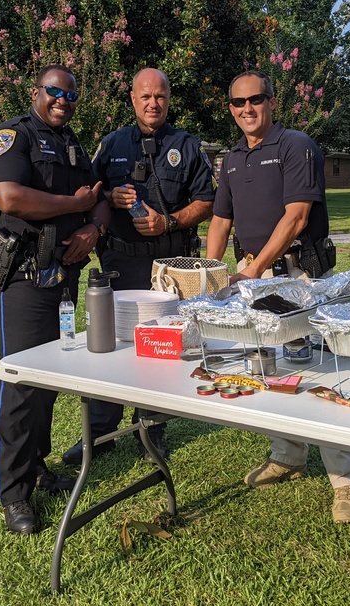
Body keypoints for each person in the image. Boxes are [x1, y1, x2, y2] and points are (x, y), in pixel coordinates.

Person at [205, 70, 350, 525]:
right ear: (230, 107)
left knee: (323, 375)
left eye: (256, 99)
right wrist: (208, 275)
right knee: (268, 369)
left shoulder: (297, 146)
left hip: (301, 278)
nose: (247, 109)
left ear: (272, 102)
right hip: (254, 281)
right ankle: (288, 456)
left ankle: (346, 481)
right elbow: (220, 221)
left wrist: (250, 271)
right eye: (238, 103)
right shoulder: (232, 158)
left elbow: (296, 218)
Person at [61, 68, 215, 466]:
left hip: (166, 268)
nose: (153, 103)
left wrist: (171, 221)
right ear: (132, 99)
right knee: (108, 345)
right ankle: (100, 432)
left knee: (160, 348)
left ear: (168, 99)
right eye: (145, 96)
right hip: (118, 262)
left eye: (160, 96)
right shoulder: (111, 143)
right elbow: (90, 194)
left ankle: (152, 430)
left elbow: (207, 201)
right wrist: (109, 197)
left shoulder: (187, 144)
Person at [0, 64, 110, 536]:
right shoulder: (11, 138)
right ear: (36, 92)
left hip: (63, 277)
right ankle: (14, 492)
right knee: (19, 381)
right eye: (54, 92)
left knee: (51, 376)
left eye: (71, 95)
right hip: (21, 279)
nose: (63, 100)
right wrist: (74, 206)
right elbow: (11, 197)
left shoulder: (75, 143)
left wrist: (92, 226)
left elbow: (98, 196)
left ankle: (36, 466)